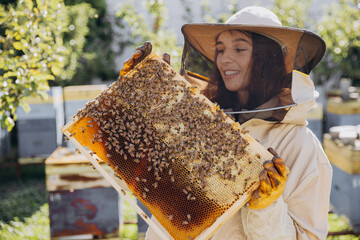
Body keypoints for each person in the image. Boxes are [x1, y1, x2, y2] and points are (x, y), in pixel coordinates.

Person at [144, 5, 332, 240]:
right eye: (220, 50)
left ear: (269, 59)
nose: (225, 59)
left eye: (240, 48)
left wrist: (266, 207)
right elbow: (167, 201)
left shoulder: (301, 146)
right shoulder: (204, 127)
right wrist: (153, 105)